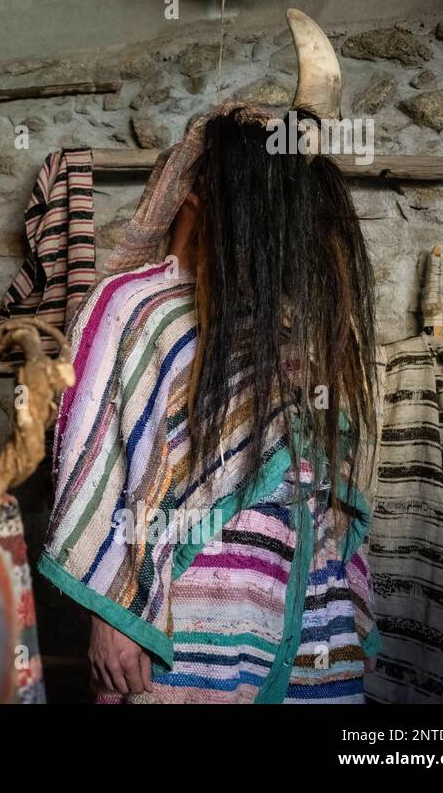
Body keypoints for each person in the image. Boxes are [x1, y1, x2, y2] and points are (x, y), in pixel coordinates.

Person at [40, 100, 381, 703]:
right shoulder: (133, 306)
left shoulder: (278, 324)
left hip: (300, 613)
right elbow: (93, 462)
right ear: (200, 197)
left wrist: (346, 611)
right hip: (187, 622)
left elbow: (322, 480)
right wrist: (111, 616)